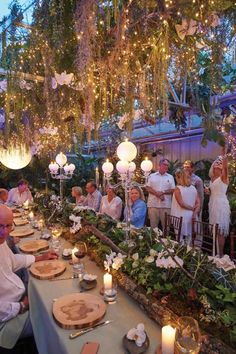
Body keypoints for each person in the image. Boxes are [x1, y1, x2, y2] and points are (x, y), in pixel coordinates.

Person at [0, 205, 58, 349]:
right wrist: (23, 306)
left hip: (18, 300)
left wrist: (39, 257)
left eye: (8, 226)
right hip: (8, 321)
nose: (4, 232)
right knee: (51, 319)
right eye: (0, 226)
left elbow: (13, 261)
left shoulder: (1, 243)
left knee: (47, 292)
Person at [208, 148, 230, 256]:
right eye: (217, 161)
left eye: (220, 162)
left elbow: (226, 168)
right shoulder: (212, 178)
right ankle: (214, 253)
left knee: (220, 231)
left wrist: (224, 156)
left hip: (221, 205)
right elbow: (213, 192)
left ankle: (220, 255)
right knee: (215, 231)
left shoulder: (224, 177)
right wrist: (208, 192)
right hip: (213, 204)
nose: (218, 162)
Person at [171, 169, 200, 244]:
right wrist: (194, 213)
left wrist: (191, 208)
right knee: (189, 239)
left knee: (179, 238)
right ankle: (188, 252)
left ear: (180, 178)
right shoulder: (193, 188)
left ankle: (180, 253)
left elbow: (181, 204)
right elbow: (198, 203)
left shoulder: (178, 189)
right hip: (191, 217)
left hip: (179, 217)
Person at [146, 159, 175, 229]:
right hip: (153, 205)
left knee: (166, 228)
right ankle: (153, 240)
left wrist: (163, 192)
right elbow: (147, 188)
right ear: (160, 165)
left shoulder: (170, 177)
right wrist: (157, 194)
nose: (166, 166)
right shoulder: (152, 176)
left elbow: (173, 190)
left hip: (166, 206)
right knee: (153, 228)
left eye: (167, 165)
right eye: (165, 165)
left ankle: (166, 240)